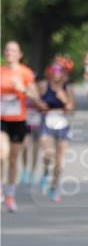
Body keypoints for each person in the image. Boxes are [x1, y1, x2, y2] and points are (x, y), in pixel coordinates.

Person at [0, 41, 43, 212]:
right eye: (7, 50)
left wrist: (22, 89)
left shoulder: (26, 73)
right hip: (2, 119)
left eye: (13, 50)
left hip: (18, 120)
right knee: (2, 154)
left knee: (13, 159)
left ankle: (10, 195)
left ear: (20, 54)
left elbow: (36, 97)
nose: (9, 53)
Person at [38, 56, 76, 202]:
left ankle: (54, 186)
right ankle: (45, 173)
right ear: (51, 70)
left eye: (61, 69)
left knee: (60, 160)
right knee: (48, 154)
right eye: (55, 68)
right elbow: (35, 102)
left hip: (62, 125)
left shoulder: (68, 88)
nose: (58, 72)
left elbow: (71, 110)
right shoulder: (44, 85)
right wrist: (40, 105)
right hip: (46, 124)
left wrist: (65, 99)